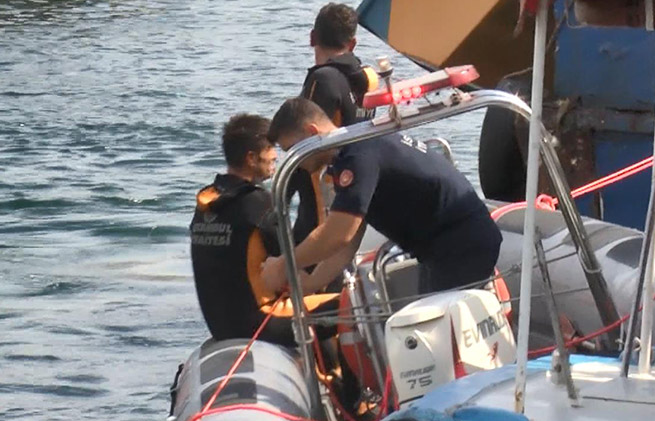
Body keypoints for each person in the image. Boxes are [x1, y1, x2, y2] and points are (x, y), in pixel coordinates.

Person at [261, 98, 503, 296]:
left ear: (312, 132)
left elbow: (338, 234)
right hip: (448, 247)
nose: (295, 160)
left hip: (461, 246)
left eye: (293, 149)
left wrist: (282, 266)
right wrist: (312, 283)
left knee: (437, 333)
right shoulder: (354, 147)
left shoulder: (357, 155)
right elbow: (348, 240)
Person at [190, 113, 337, 347]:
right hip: (262, 322)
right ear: (251, 158)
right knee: (351, 304)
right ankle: (342, 373)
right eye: (270, 149)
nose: (276, 156)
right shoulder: (259, 204)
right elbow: (292, 264)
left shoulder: (207, 203)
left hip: (221, 327)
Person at [290, 3, 378, 244]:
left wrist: (281, 198)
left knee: (312, 251)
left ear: (312, 38)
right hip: (358, 184)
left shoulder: (322, 79)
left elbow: (306, 143)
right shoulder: (368, 79)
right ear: (352, 44)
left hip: (324, 192)